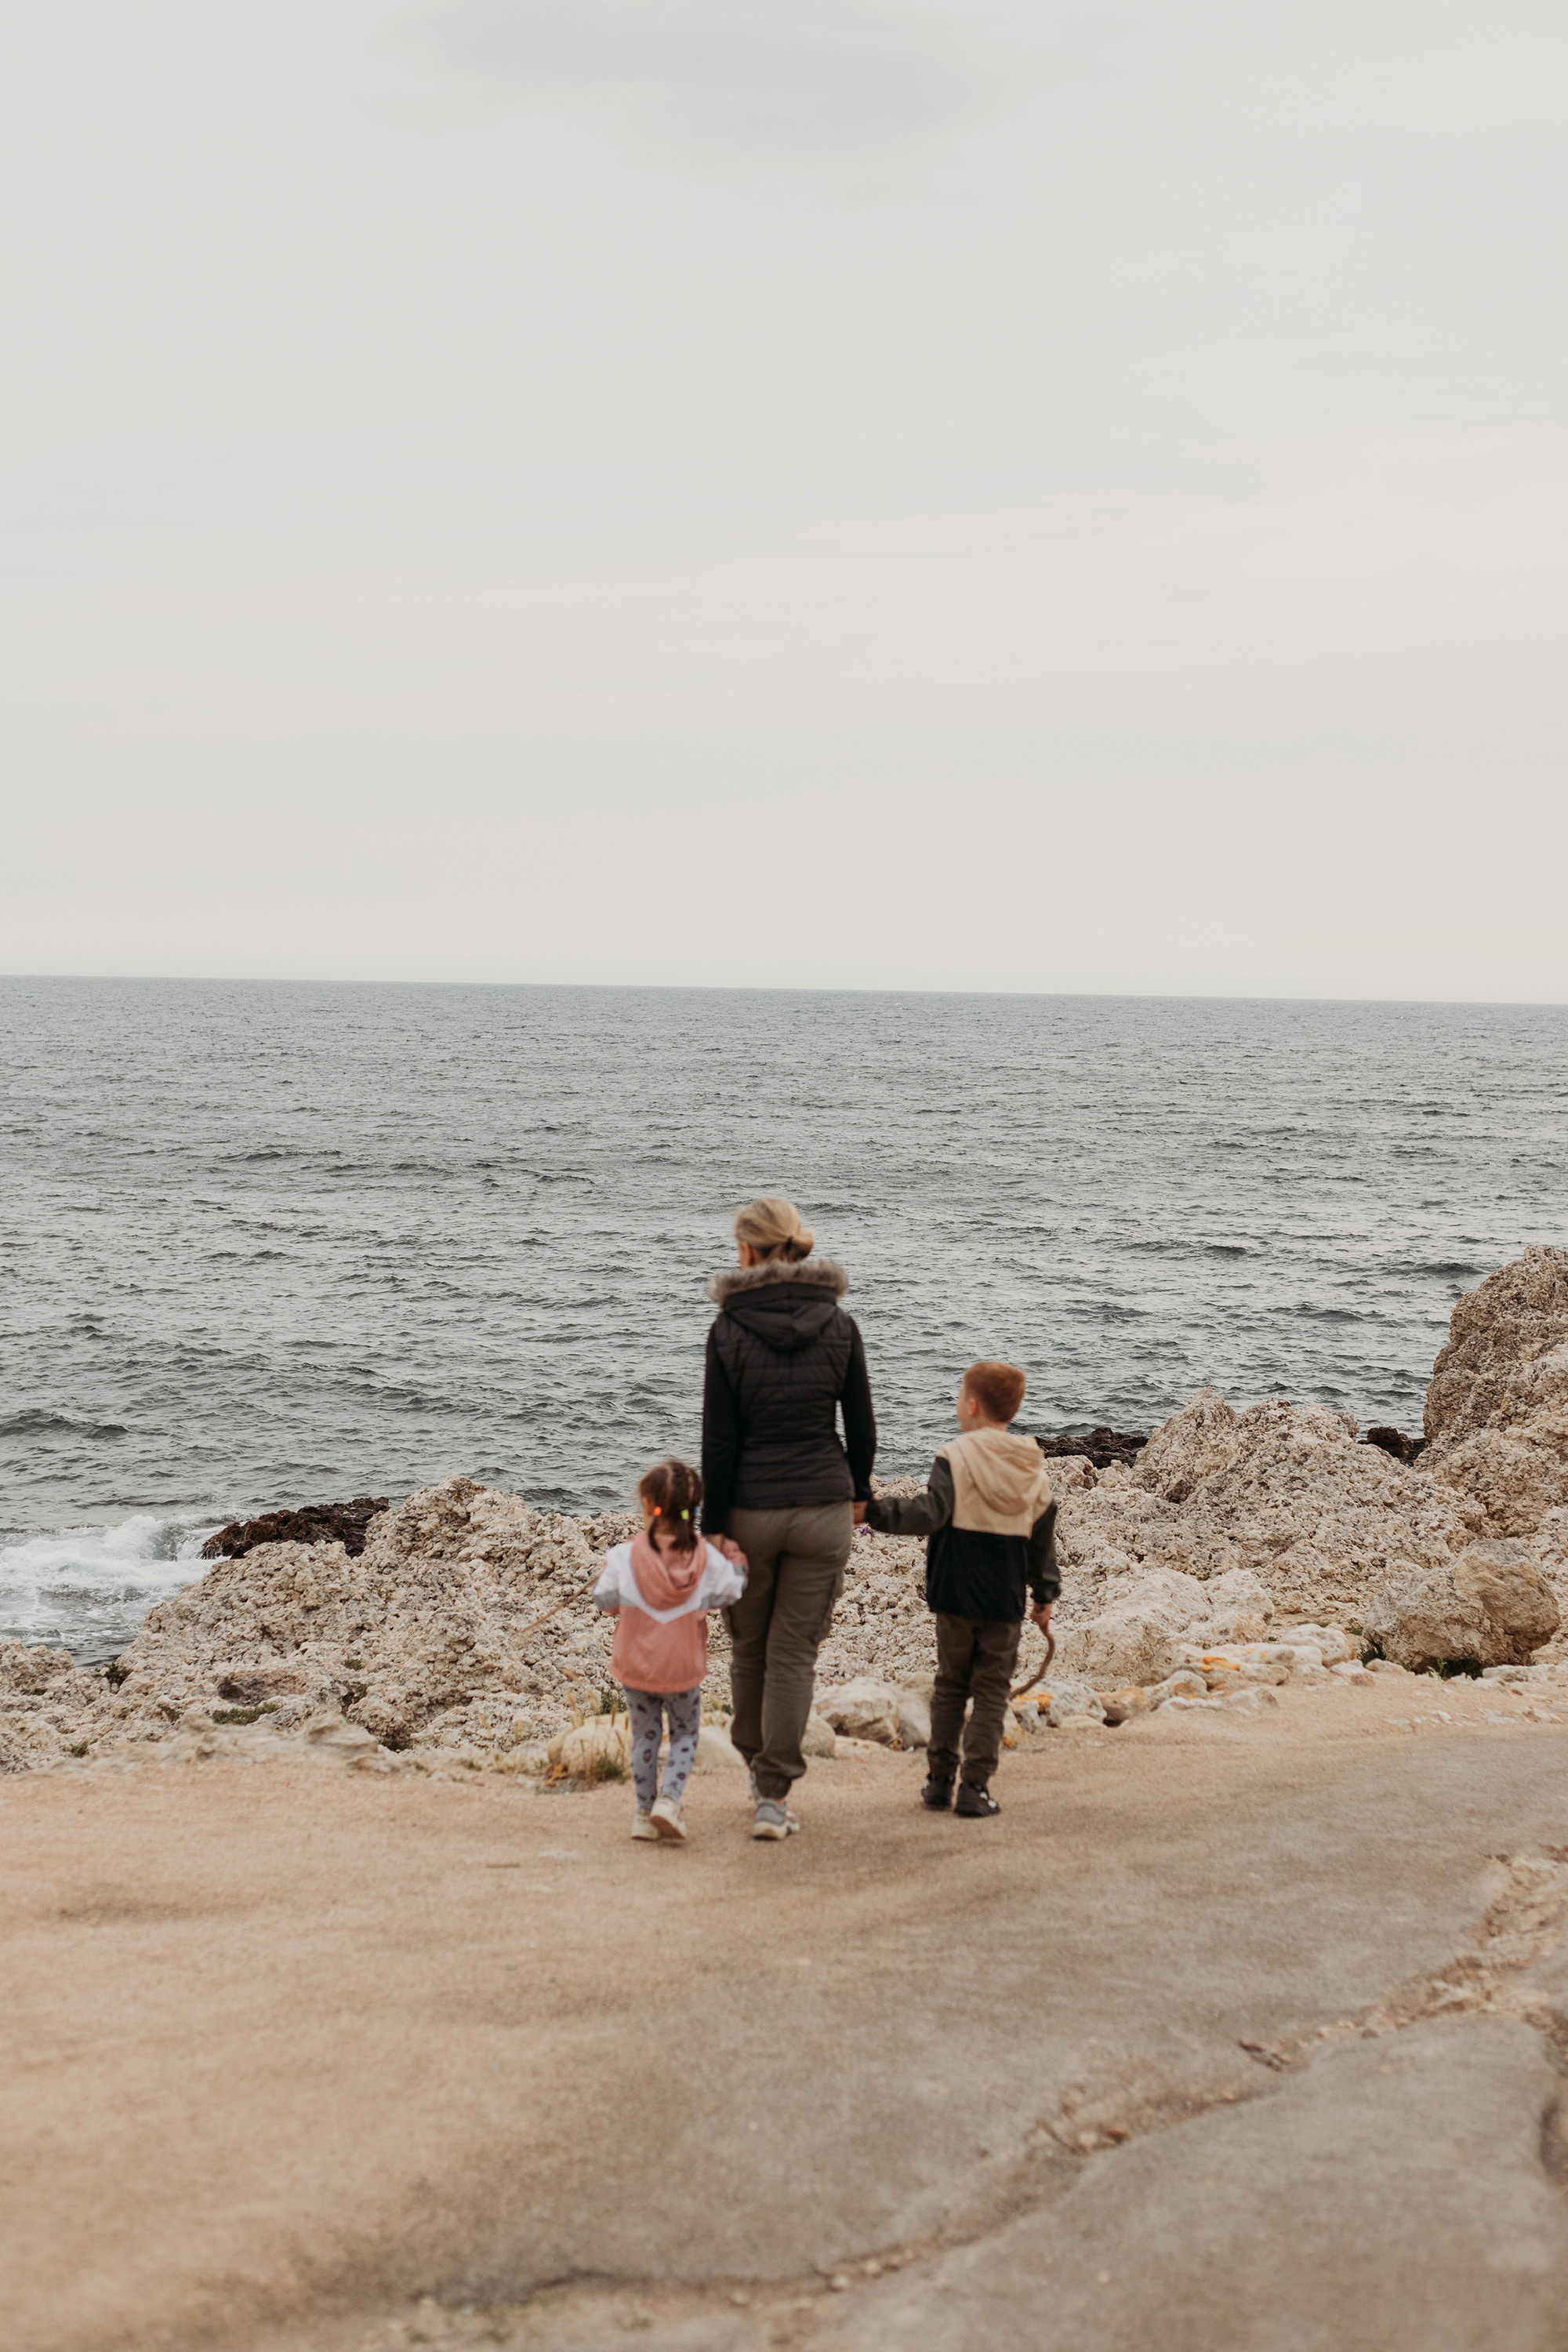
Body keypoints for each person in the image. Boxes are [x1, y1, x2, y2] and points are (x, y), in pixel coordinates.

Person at [702, 1196, 877, 1840]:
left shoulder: (727, 1330)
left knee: (749, 1648)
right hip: (823, 1507)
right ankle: (774, 1797)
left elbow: (718, 1445)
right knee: (795, 1654)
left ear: (747, 1251)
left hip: (750, 1511)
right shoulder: (840, 1324)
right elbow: (860, 1426)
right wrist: (859, 1492)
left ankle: (756, 1770)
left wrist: (712, 1528)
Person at [860, 1359, 1056, 1819]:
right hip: (1004, 1599)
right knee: (992, 1690)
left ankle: (938, 1781)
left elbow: (930, 1513)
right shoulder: (1032, 1467)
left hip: (954, 1593)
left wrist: (872, 1511)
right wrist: (1044, 1596)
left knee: (950, 1686)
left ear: (971, 1406)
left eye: (957, 1398)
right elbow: (1043, 1543)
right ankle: (975, 1788)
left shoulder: (955, 1456)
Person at [593, 1457, 746, 1844]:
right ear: (695, 1511)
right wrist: (736, 1557)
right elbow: (732, 1591)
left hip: (638, 1669)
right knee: (684, 1738)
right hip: (682, 1670)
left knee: (645, 1739)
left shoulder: (625, 1557)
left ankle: (644, 1814)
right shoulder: (707, 1560)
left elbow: (604, 1601)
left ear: (647, 1506)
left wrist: (619, 1589)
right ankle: (669, 1801)